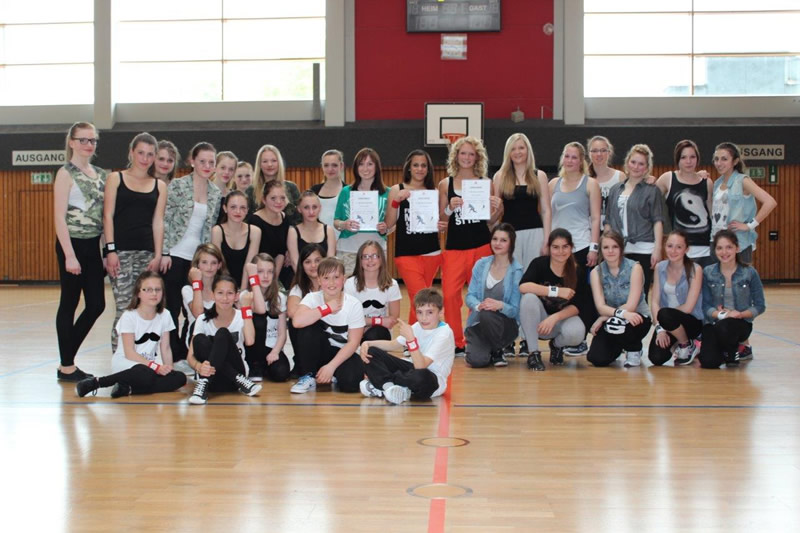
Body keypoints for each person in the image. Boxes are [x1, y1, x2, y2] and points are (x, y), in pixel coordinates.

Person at [53, 122, 107, 382]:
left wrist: (106, 250)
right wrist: (69, 255)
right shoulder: (66, 173)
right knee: (70, 302)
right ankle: (67, 367)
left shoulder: (101, 174)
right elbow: (59, 217)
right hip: (72, 244)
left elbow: (104, 216)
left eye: (93, 140)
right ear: (72, 142)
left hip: (93, 244)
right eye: (83, 140)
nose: (89, 144)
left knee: (97, 304)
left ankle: (66, 358)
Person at [438, 136, 503, 354]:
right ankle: (456, 341)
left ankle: (477, 338)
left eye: (471, 154)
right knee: (449, 296)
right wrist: (449, 208)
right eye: (463, 153)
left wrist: (498, 208)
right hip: (454, 248)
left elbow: (491, 222)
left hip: (481, 246)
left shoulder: (486, 183)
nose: (466, 157)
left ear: (477, 158)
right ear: (456, 156)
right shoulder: (445, 184)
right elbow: (441, 222)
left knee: (481, 296)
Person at [161, 142, 222, 369]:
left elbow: (210, 226)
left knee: (192, 309)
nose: (207, 166)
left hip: (197, 259)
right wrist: (164, 251)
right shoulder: (177, 185)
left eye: (211, 162)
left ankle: (189, 354)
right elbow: (164, 219)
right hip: (174, 254)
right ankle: (173, 355)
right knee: (172, 307)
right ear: (192, 161)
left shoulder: (215, 192)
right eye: (202, 161)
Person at [76, 272, 186, 398]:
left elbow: (166, 348)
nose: (154, 294)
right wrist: (155, 367)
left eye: (158, 289)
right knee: (145, 373)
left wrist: (169, 369)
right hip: (128, 363)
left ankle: (128, 389)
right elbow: (130, 353)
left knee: (180, 378)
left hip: (149, 367)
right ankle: (97, 383)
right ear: (138, 293)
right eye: (148, 290)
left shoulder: (165, 315)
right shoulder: (129, 316)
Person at [103, 132, 167, 352]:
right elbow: (108, 216)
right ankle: (119, 359)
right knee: (124, 308)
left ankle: (143, 357)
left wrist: (158, 255)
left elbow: (158, 221)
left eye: (150, 154)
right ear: (131, 152)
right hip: (120, 252)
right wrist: (110, 250)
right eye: (141, 153)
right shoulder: (116, 178)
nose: (145, 158)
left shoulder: (159, 185)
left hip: (146, 253)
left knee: (146, 306)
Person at [492, 133, 551, 359]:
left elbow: (546, 209)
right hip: (510, 237)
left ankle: (528, 338)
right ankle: (509, 338)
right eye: (514, 148)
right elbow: (496, 214)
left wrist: (547, 238)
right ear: (508, 153)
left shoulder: (539, 175)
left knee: (531, 286)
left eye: (521, 148)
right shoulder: (500, 176)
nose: (518, 152)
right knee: (510, 287)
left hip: (535, 234)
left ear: (528, 151)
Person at [359, 288, 455, 405]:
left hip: (431, 379)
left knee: (421, 376)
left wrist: (411, 340)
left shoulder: (444, 334)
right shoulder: (417, 326)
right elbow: (392, 345)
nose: (424, 318)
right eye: (420, 312)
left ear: (441, 312)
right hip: (409, 370)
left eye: (430, 312)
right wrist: (367, 343)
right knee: (371, 352)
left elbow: (421, 366)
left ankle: (381, 385)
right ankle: (389, 388)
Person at [550, 141, 601, 356]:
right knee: (559, 295)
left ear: (581, 161)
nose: (570, 160)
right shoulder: (553, 184)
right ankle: (561, 337)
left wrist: (594, 248)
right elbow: (548, 215)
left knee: (581, 296)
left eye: (574, 157)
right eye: (567, 156)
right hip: (557, 251)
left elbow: (596, 218)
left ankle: (580, 339)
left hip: (580, 247)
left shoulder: (590, 184)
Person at [289, 257, 365, 394]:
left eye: (336, 277)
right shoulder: (312, 298)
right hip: (320, 351)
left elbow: (353, 343)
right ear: (319, 280)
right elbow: (297, 322)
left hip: (343, 353)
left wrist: (331, 366)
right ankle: (309, 375)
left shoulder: (354, 304)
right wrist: (326, 308)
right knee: (307, 326)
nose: (331, 283)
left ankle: (332, 374)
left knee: (351, 384)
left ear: (343, 279)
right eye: (326, 278)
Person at [518, 228, 589, 371]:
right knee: (528, 298)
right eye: (556, 247)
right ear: (549, 248)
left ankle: (556, 346)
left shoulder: (578, 271)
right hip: (538, 321)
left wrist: (554, 318)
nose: (560, 251)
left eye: (565, 247)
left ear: (571, 247)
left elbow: (578, 306)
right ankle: (533, 353)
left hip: (559, 320)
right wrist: (555, 291)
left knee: (577, 333)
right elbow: (523, 286)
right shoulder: (539, 264)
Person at [384, 149, 442, 323]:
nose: (419, 169)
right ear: (409, 167)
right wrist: (396, 201)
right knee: (420, 296)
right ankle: (416, 335)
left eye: (423, 165)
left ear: (428, 169)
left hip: (432, 252)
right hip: (406, 253)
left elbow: (439, 221)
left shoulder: (434, 191)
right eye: (416, 165)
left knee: (419, 299)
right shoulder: (397, 189)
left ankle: (415, 335)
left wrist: (441, 225)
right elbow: (389, 223)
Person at [186, 274, 261, 404]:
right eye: (220, 293)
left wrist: (246, 308)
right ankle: (205, 382)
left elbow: (250, 341)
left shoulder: (242, 315)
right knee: (199, 339)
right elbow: (190, 357)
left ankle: (214, 380)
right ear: (213, 295)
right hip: (212, 379)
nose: (225, 298)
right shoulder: (202, 319)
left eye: (230, 293)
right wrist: (199, 366)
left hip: (235, 380)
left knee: (222, 333)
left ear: (236, 296)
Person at [605, 144, 665, 300]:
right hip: (619, 249)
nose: (636, 167)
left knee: (640, 294)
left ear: (646, 168)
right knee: (619, 293)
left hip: (643, 248)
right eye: (633, 162)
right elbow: (609, 220)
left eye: (641, 164)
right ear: (627, 163)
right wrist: (606, 246)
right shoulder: (615, 189)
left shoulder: (652, 190)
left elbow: (658, 221)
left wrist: (657, 249)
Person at [698, 230, 766, 368]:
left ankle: (733, 350)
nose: (724, 252)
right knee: (708, 362)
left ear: (737, 248)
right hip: (715, 322)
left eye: (729, 247)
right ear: (715, 250)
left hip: (739, 324)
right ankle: (726, 349)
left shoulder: (749, 272)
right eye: (719, 248)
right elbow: (705, 306)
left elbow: (760, 305)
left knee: (726, 326)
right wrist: (723, 314)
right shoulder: (708, 272)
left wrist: (740, 314)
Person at [587, 230, 652, 368]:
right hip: (613, 320)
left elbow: (631, 306)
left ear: (621, 248)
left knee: (624, 322)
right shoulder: (596, 272)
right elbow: (600, 306)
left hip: (636, 317)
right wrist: (611, 315)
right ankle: (619, 345)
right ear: (601, 250)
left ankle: (633, 349)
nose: (610, 251)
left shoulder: (635, 268)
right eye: (606, 247)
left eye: (615, 246)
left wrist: (604, 317)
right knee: (596, 358)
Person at [463, 223, 523, 368]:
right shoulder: (481, 264)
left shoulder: (517, 271)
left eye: (503, 240)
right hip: (479, 323)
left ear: (511, 243)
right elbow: (470, 296)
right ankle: (489, 350)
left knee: (487, 315)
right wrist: (478, 305)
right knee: (476, 361)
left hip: (505, 326)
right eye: (495, 239)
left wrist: (500, 305)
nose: (497, 243)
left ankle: (497, 350)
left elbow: (515, 310)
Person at [711, 142, 777, 264]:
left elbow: (770, 202)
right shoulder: (717, 183)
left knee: (740, 276)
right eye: (716, 159)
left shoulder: (742, 181)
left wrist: (749, 225)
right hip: (717, 242)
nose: (719, 163)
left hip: (738, 243)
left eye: (724, 159)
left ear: (735, 161)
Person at [655, 140, 714, 267]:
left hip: (705, 249)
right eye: (683, 157)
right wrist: (647, 179)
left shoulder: (707, 182)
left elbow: (711, 214)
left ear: (697, 159)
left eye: (692, 157)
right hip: (679, 249)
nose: (688, 161)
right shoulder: (667, 179)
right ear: (677, 159)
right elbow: (649, 199)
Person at [648, 231, 704, 366]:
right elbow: (654, 301)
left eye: (679, 247)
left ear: (686, 249)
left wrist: (665, 318)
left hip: (691, 321)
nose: (673, 251)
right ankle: (677, 343)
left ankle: (686, 344)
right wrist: (660, 328)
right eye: (670, 246)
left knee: (665, 313)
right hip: (666, 321)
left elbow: (688, 307)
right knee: (656, 358)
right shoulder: (660, 267)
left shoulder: (695, 269)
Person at [334, 148, 390, 276]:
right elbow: (336, 221)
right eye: (361, 164)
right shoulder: (346, 191)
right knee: (347, 286)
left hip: (377, 251)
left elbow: (393, 224)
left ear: (377, 167)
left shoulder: (388, 193)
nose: (365, 168)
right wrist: (344, 224)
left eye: (370, 164)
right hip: (348, 249)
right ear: (356, 167)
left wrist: (386, 228)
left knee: (375, 286)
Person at [241, 255, 291, 383]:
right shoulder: (245, 296)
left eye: (270, 272)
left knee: (281, 373)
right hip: (252, 349)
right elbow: (260, 309)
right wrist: (253, 280)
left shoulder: (280, 297)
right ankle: (255, 364)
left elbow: (282, 333)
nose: (265, 276)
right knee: (260, 319)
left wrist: (275, 352)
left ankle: (265, 367)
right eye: (260, 271)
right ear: (253, 273)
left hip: (271, 347)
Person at [344, 241, 401, 342]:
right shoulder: (350, 284)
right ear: (360, 261)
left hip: (379, 332)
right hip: (355, 330)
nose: (370, 260)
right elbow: (348, 317)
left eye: (374, 256)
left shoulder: (392, 284)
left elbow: (393, 318)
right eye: (365, 256)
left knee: (375, 334)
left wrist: (373, 324)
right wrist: (378, 321)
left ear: (381, 259)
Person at [182, 243, 228, 354]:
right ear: (197, 265)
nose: (209, 267)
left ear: (219, 265)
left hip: (220, 335)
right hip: (198, 338)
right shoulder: (188, 289)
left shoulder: (224, 287)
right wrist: (196, 282)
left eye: (213, 263)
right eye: (204, 262)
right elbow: (199, 314)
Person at [212, 190, 261, 287]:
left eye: (242, 208)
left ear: (247, 210)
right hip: (222, 284)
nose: (238, 211)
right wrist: (228, 290)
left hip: (246, 284)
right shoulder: (217, 231)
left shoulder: (255, 232)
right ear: (225, 208)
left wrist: (243, 291)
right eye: (233, 207)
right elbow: (219, 265)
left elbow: (249, 266)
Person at [249, 180, 292, 289]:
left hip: (275, 271)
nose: (279, 202)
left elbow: (281, 252)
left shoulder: (284, 218)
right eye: (273, 198)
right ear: (264, 199)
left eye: (282, 198)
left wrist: (273, 280)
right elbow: (252, 258)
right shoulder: (255, 221)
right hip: (257, 271)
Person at [246, 144, 301, 224]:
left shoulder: (291, 188)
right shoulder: (251, 191)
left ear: (279, 163)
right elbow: (246, 222)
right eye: (265, 161)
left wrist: (287, 205)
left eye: (273, 161)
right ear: (259, 165)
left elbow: (299, 220)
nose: (269, 164)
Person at [286, 244, 324, 354]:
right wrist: (324, 311)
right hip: (308, 337)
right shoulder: (298, 288)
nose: (313, 265)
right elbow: (292, 312)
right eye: (308, 262)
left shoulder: (333, 285)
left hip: (331, 337)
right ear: (302, 266)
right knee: (303, 325)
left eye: (318, 260)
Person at [287, 191, 336, 271]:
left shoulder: (328, 230)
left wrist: (322, 278)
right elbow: (295, 262)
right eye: (306, 207)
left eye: (314, 207)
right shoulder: (293, 232)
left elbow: (330, 262)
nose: (311, 212)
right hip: (300, 276)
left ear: (320, 208)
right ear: (299, 209)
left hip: (323, 276)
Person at [587, 135, 622, 228]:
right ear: (589, 153)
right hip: (587, 230)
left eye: (603, 150)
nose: (599, 154)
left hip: (613, 231)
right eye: (595, 151)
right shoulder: (583, 178)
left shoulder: (619, 177)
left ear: (609, 153)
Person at [311, 149, 345, 237]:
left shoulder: (348, 191)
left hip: (342, 240)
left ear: (341, 166)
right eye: (326, 165)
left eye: (334, 165)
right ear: (322, 167)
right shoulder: (314, 190)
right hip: (319, 239)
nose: (330, 169)